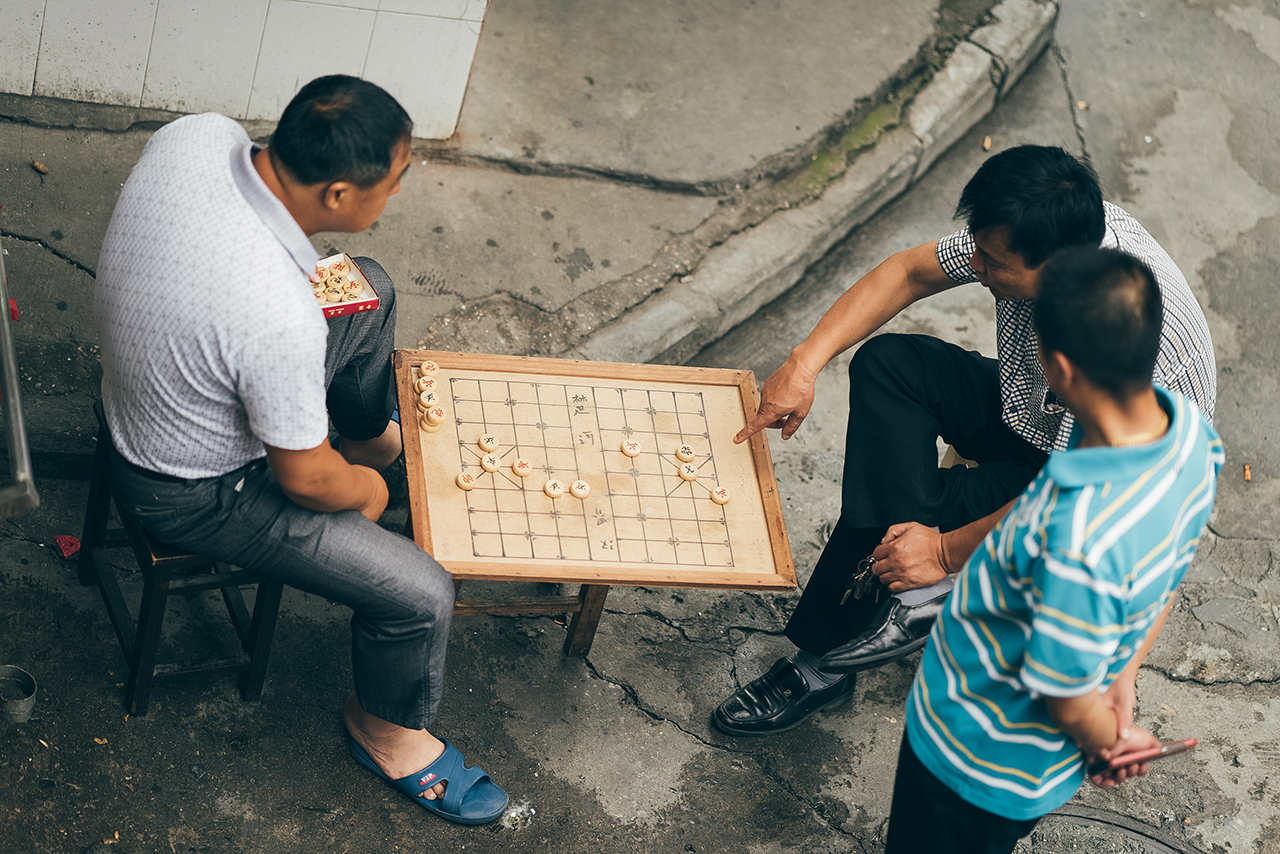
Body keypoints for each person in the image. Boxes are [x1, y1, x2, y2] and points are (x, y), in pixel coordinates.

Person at [94, 75, 508, 825]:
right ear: (342, 196)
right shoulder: (279, 315)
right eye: (394, 181)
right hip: (192, 484)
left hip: (154, 375)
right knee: (420, 595)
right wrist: (364, 491)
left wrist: (355, 458)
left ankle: (370, 437)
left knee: (367, 289)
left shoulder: (202, 130)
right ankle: (386, 730)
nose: (397, 194)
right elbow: (308, 480)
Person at [712, 145, 1216, 737]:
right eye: (976, 246)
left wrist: (947, 551)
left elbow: (1076, 498)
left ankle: (822, 663)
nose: (974, 264)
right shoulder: (1053, 224)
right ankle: (909, 586)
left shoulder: (1127, 349)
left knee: (889, 507)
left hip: (1087, 481)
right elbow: (908, 271)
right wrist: (804, 364)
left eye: (992, 261)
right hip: (1029, 409)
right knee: (890, 364)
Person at [882, 245, 1223, 852]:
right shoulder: (1190, 435)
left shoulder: (1077, 537)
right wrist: (1123, 678)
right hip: (1033, 765)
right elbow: (1171, 567)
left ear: (1060, 370)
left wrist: (1106, 740)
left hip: (977, 757)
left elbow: (1064, 697)